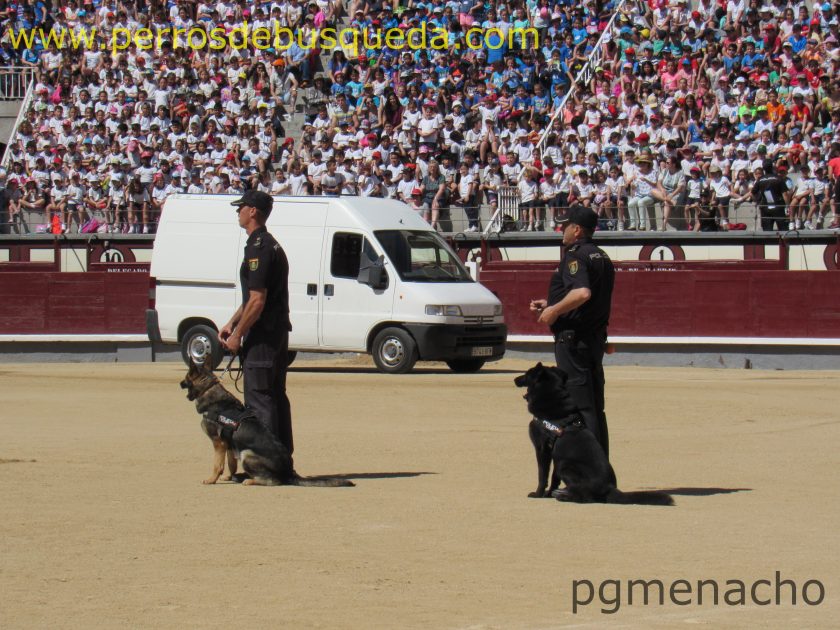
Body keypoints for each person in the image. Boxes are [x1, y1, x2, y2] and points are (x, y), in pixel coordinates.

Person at [529, 205, 615, 457]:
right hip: (594, 338)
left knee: (579, 407)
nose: (562, 230)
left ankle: (589, 473)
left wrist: (554, 311)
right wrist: (551, 304)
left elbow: (582, 293)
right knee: (595, 407)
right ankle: (601, 469)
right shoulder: (601, 256)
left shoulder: (575, 256)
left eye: (566, 225)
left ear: (576, 230)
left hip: (574, 341)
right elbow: (589, 297)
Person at [219, 190, 294, 453]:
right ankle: (281, 460)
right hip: (273, 332)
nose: (237, 211)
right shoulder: (267, 244)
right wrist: (233, 322)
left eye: (241, 207)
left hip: (264, 334)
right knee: (273, 396)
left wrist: (238, 334)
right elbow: (252, 298)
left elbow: (258, 301)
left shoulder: (258, 247)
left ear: (253, 211)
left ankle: (267, 462)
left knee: (260, 398)